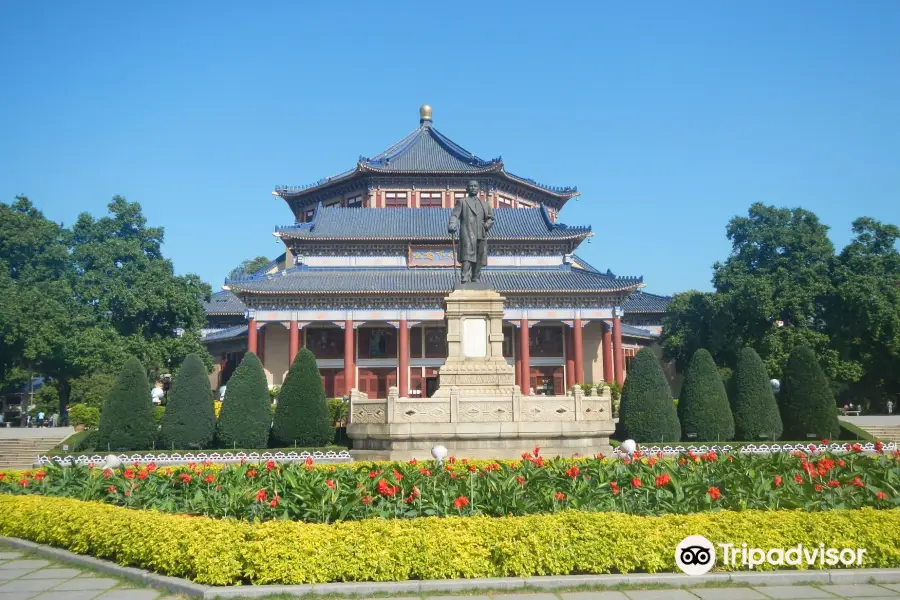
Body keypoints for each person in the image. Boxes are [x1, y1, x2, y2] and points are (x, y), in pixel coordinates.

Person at [448, 180, 494, 284]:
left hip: (481, 233)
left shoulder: (485, 204)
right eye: (471, 186)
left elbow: (491, 218)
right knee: (467, 256)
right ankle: (464, 278)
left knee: (479, 257)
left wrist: (486, 225)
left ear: (478, 189)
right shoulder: (462, 202)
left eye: (475, 186)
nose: (473, 188)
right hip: (467, 232)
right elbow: (455, 215)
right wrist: (452, 224)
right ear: (467, 189)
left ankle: (475, 278)